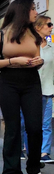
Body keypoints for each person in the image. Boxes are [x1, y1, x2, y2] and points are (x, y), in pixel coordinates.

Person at [0, 0, 44, 174]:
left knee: (34, 126)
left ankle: (33, 165)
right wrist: (13, 61)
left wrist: (39, 62)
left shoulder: (34, 34)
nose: (36, 13)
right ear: (22, 11)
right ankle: (11, 172)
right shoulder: (0, 35)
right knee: (13, 127)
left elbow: (37, 58)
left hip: (31, 81)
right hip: (9, 81)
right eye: (33, 9)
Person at [34, 15, 53, 163]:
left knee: (46, 124)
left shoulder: (52, 49)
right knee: (29, 124)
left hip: (47, 90)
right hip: (30, 91)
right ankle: (28, 149)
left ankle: (44, 153)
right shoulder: (30, 45)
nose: (51, 27)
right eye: (49, 24)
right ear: (38, 27)